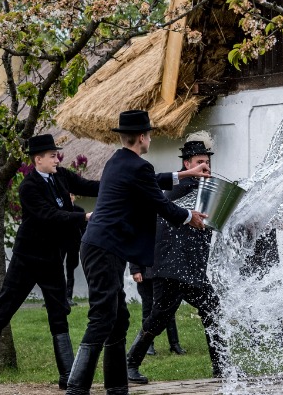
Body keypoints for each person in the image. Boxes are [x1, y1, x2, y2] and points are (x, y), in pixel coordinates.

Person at [66, 111, 209, 395]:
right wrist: (188, 216)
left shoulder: (117, 161)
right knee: (103, 317)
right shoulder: (136, 166)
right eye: (151, 134)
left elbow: (149, 179)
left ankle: (117, 387)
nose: (151, 138)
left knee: (119, 318)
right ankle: (76, 388)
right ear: (143, 137)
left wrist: (183, 174)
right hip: (103, 248)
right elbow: (161, 204)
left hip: (101, 247)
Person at [0, 134, 99, 389]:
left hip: (52, 259)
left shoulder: (62, 176)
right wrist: (83, 216)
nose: (57, 158)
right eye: (52, 155)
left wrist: (118, 185)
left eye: (56, 154)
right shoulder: (28, 187)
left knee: (59, 312)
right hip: (27, 259)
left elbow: (90, 186)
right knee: (3, 311)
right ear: (37, 159)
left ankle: (67, 376)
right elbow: (49, 216)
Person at [125, 139, 228, 384]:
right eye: (199, 163)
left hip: (189, 269)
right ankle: (129, 363)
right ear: (187, 164)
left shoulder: (200, 188)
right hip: (173, 268)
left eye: (207, 162)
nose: (205, 167)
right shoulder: (183, 187)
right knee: (160, 317)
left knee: (211, 311)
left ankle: (222, 368)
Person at [129, 262, 185, 356]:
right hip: (146, 274)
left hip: (164, 273)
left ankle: (174, 344)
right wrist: (135, 271)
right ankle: (147, 345)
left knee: (168, 309)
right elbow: (133, 247)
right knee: (147, 310)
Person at [65, 194, 85, 307]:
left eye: (71, 195)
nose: (69, 196)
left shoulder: (79, 211)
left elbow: (83, 229)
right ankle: (58, 296)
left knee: (70, 269)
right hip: (61, 244)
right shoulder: (59, 210)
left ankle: (68, 296)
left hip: (74, 244)